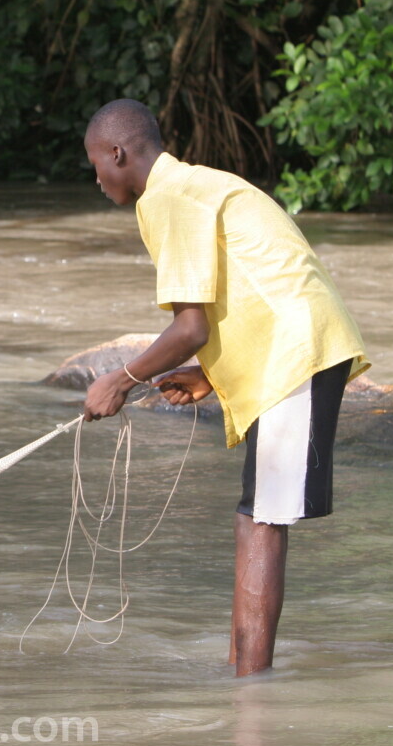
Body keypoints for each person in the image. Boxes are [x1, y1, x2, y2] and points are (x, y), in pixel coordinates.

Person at [79, 98, 368, 676]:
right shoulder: (184, 188)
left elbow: (192, 325)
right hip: (288, 347)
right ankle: (243, 677)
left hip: (297, 351)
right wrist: (211, 374)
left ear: (117, 153)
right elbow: (247, 284)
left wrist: (123, 379)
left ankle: (250, 692)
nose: (96, 179)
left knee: (262, 519)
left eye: (95, 166)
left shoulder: (171, 196)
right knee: (254, 515)